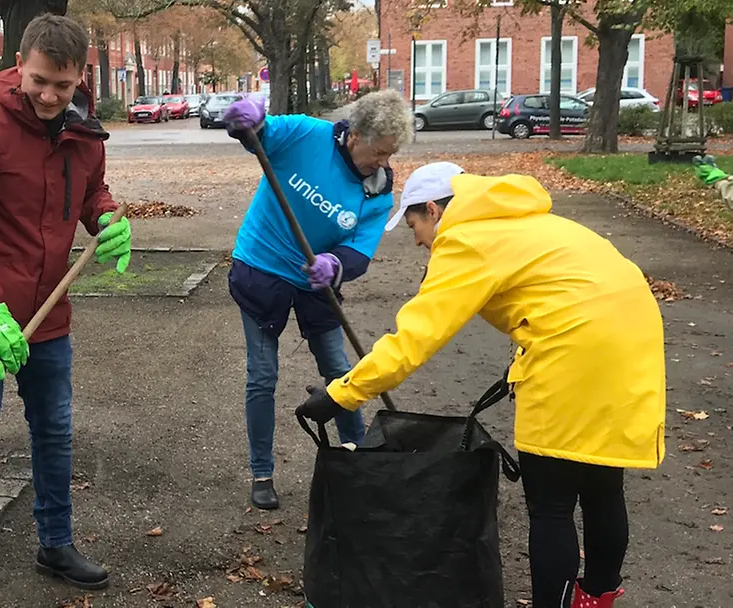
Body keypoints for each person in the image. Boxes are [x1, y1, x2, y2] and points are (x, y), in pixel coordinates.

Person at [297, 162, 666, 608]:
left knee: (551, 503)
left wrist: (340, 394)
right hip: (634, 343)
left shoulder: (466, 240)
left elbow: (414, 339)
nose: (416, 239)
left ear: (433, 210)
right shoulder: (526, 222)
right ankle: (597, 598)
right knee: (602, 485)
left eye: (413, 224)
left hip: (573, 352)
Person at [0, 14, 131, 608]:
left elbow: (91, 193)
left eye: (62, 87)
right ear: (20, 65)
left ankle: (56, 543)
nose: (49, 97)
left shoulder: (82, 133)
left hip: (48, 312)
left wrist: (109, 218)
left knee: (55, 434)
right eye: (40, 81)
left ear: (78, 79)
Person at [222, 89, 412, 510]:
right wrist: (246, 121)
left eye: (390, 154)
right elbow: (257, 132)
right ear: (355, 134)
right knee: (263, 374)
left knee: (341, 370)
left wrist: (336, 263)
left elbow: (361, 250)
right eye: (379, 152)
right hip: (262, 268)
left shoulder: (377, 190)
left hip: (316, 283)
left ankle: (355, 456)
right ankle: (261, 472)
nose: (383, 163)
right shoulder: (306, 135)